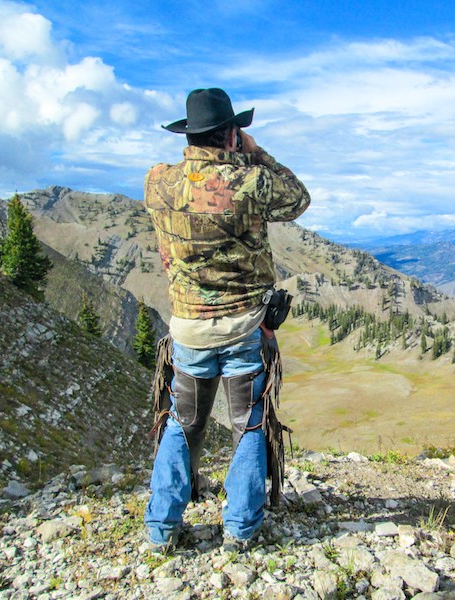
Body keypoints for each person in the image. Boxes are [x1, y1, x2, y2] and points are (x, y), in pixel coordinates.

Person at [142, 87, 310, 552]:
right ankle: (240, 527)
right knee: (249, 424)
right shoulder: (250, 183)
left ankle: (161, 528)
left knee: (182, 421)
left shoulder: (158, 181)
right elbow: (298, 199)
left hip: (189, 329)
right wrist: (259, 155)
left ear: (191, 134)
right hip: (245, 327)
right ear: (233, 135)